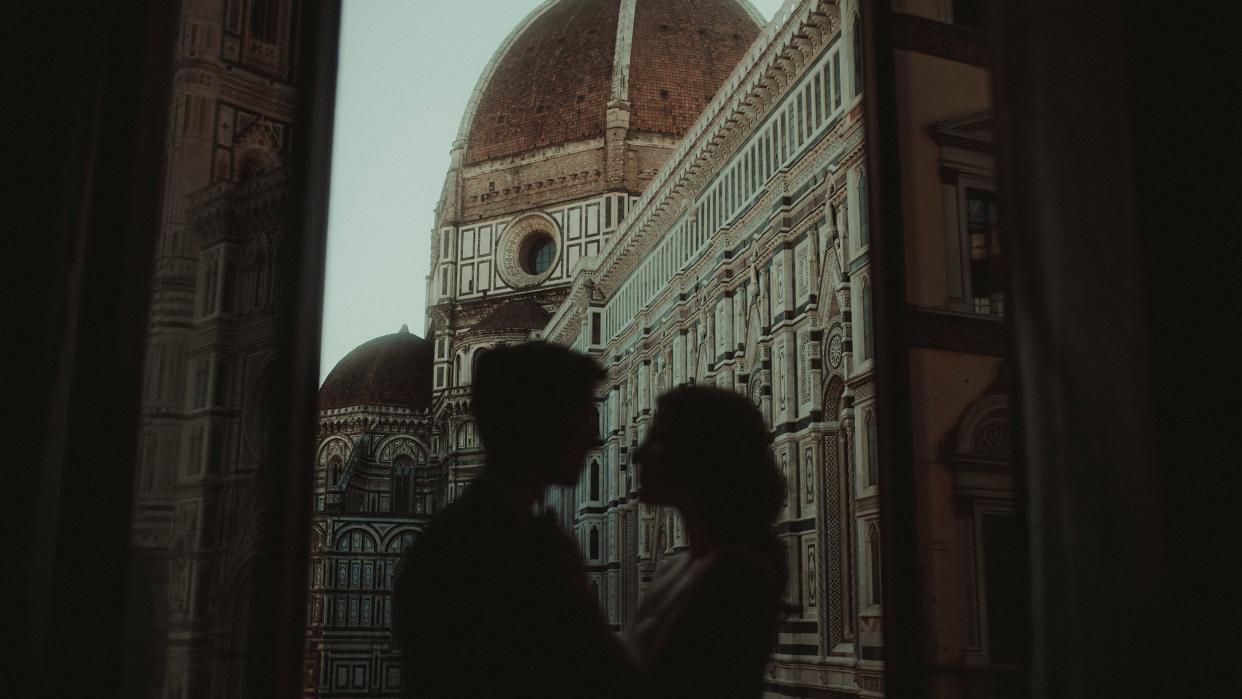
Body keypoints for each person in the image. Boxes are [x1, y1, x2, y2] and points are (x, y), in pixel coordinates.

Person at [392, 342, 634, 698]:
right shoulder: (497, 550)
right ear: (542, 425)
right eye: (583, 418)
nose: (593, 436)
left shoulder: (470, 533)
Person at [628, 385, 787, 698]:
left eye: (657, 440)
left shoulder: (738, 573)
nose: (638, 453)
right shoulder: (673, 567)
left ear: (698, 452)